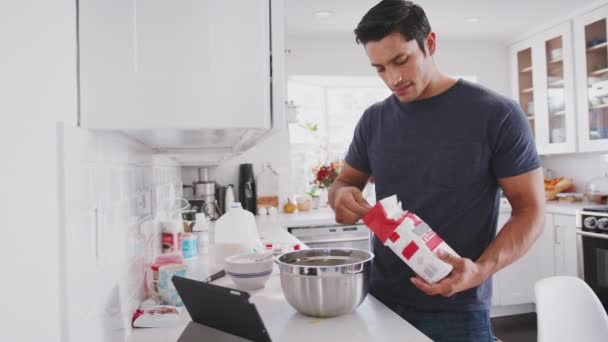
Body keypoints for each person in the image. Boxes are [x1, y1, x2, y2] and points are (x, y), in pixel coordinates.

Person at [328, 1, 545, 341]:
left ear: (429, 43)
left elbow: (531, 210)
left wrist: (481, 270)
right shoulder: (373, 120)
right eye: (380, 68)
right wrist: (341, 196)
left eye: (401, 60)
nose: (393, 78)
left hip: (457, 310)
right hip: (379, 301)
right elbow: (344, 182)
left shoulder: (497, 114)